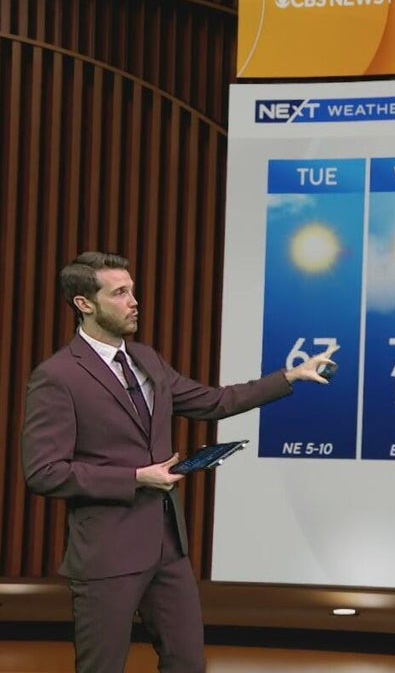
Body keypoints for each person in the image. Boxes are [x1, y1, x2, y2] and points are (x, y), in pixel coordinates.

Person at [21, 251, 338, 673]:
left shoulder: (147, 359)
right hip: (107, 555)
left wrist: (290, 377)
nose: (134, 301)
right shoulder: (58, 376)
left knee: (188, 663)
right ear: (84, 303)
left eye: (132, 290)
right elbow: (44, 472)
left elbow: (215, 402)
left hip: (168, 549)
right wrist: (136, 477)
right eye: (120, 293)